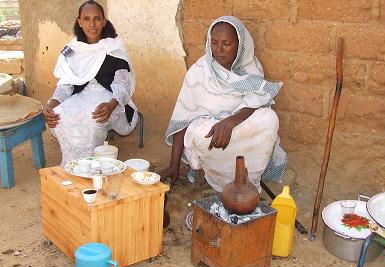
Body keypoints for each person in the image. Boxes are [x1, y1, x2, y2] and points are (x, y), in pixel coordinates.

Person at [161, 16, 287, 193]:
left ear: (240, 45)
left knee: (269, 118)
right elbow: (182, 118)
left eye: (226, 44)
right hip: (212, 136)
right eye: (214, 43)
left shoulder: (251, 68)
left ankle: (245, 182)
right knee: (198, 135)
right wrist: (174, 165)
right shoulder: (199, 71)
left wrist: (229, 122)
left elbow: (258, 102)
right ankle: (222, 182)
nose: (219, 50)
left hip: (237, 130)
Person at [43, 0, 138, 165]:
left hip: (108, 98)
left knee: (92, 120)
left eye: (97, 18)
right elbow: (65, 86)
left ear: (104, 21)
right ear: (79, 21)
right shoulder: (73, 49)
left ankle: (92, 167)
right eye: (86, 19)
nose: (92, 24)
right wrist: (51, 107)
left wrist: (111, 105)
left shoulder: (113, 48)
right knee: (61, 116)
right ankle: (71, 167)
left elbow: (122, 85)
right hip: (80, 96)